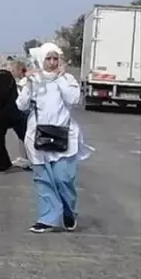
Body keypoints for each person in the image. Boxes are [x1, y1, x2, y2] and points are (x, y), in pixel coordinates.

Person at [17, 43, 92, 233]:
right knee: (43, 179)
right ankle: (47, 218)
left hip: (64, 137)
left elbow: (73, 100)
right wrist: (29, 83)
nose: (51, 63)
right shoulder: (34, 80)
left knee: (63, 178)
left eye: (55, 58)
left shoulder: (67, 79)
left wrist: (59, 78)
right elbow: (22, 105)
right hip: (38, 137)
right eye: (48, 59)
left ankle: (69, 211)